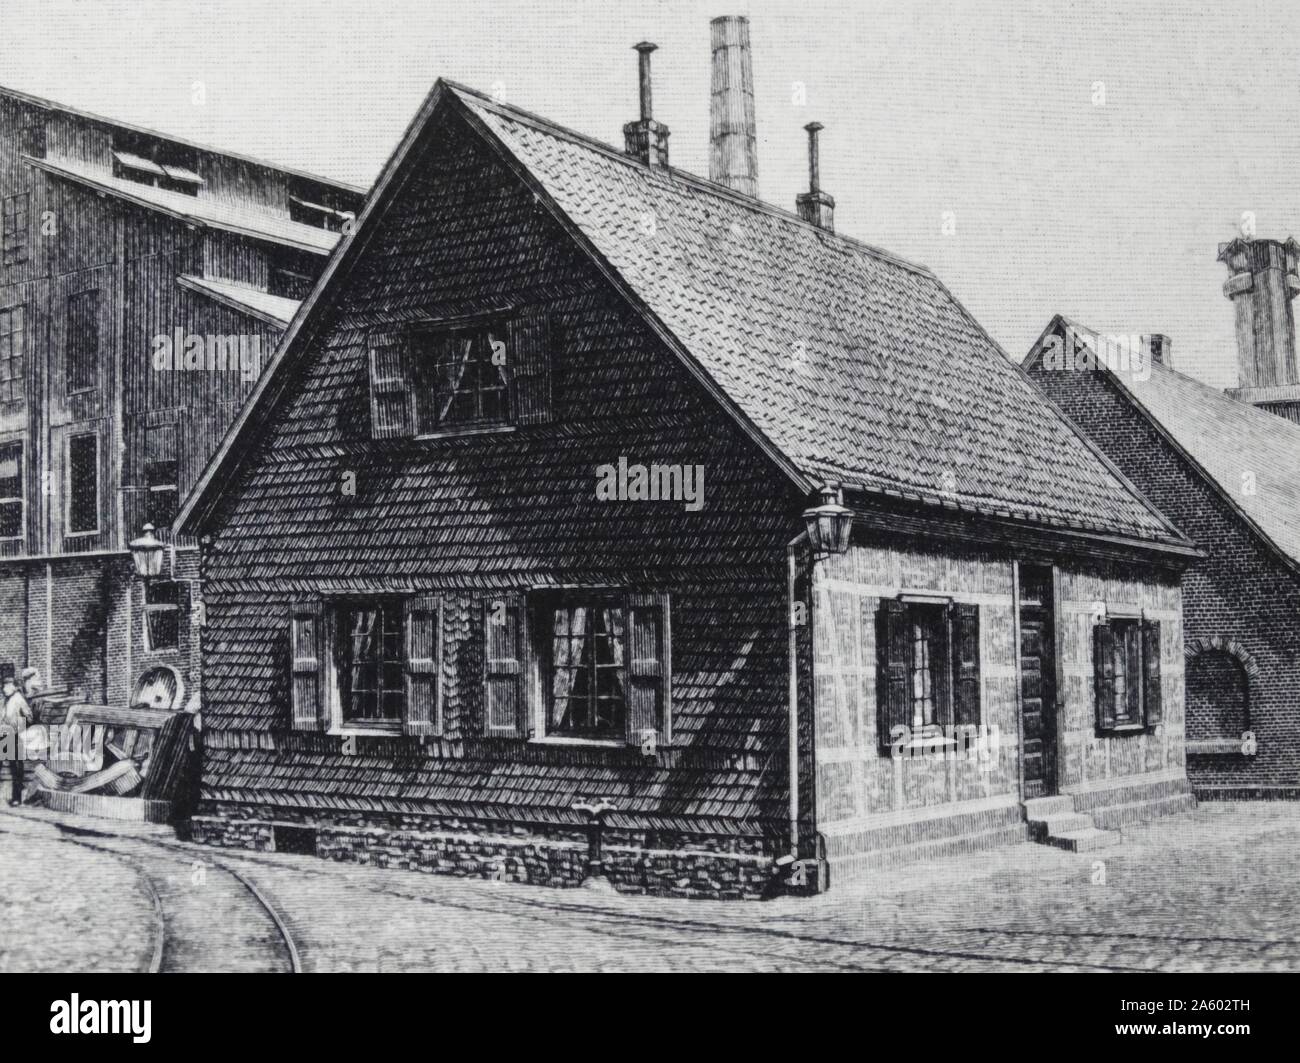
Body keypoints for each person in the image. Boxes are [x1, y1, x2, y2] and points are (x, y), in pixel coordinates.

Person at [2, 677, 33, 806]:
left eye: (7, 686)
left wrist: (20, 729)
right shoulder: (4, 700)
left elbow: (29, 717)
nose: (4, 688)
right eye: (3, 686)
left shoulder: (19, 699)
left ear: (14, 687)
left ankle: (16, 798)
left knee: (16, 767)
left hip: (15, 736)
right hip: (3, 735)